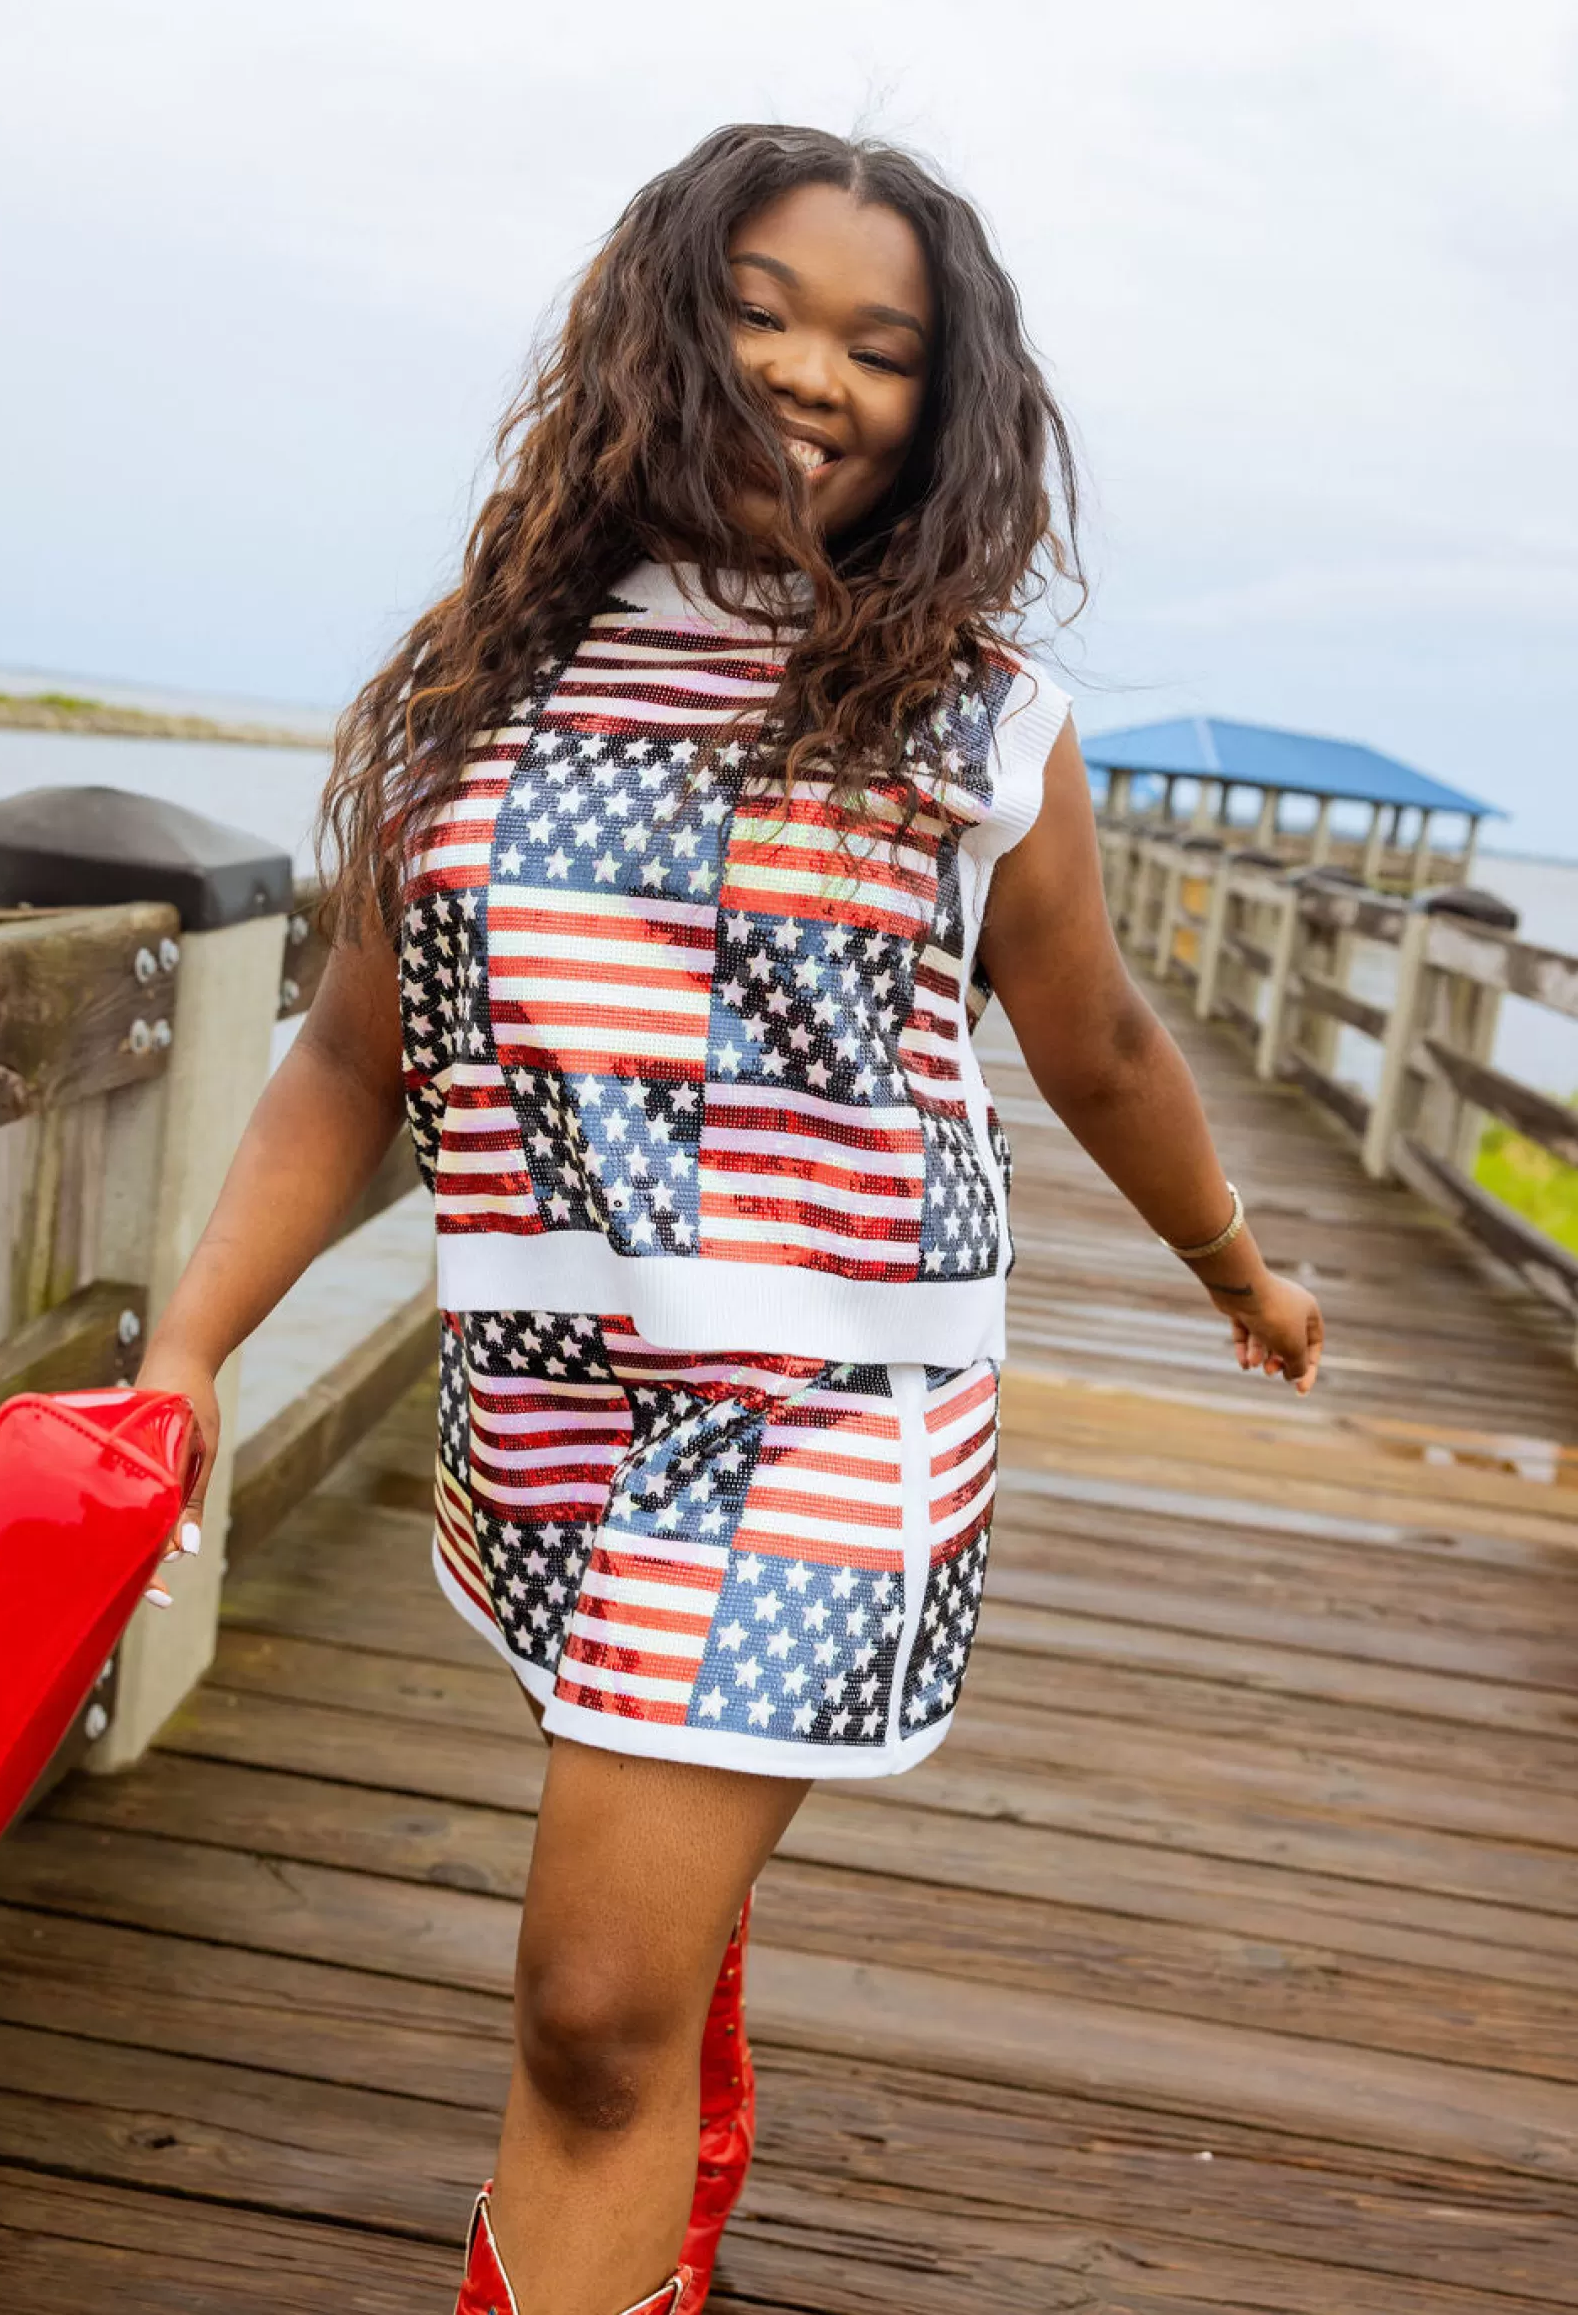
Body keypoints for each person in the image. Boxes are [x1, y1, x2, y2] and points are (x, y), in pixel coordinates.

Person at [139, 123, 1324, 2315]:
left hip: (831, 1406)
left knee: (585, 2004)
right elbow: (346, 1057)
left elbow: (1106, 1055)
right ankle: (666, 2191)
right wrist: (190, 1347)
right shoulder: (468, 693)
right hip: (549, 1405)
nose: (809, 373)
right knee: (642, 1918)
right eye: (761, 310)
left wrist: (1235, 1267)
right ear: (652, 332)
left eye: (880, 348)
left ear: (940, 410)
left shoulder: (979, 722)